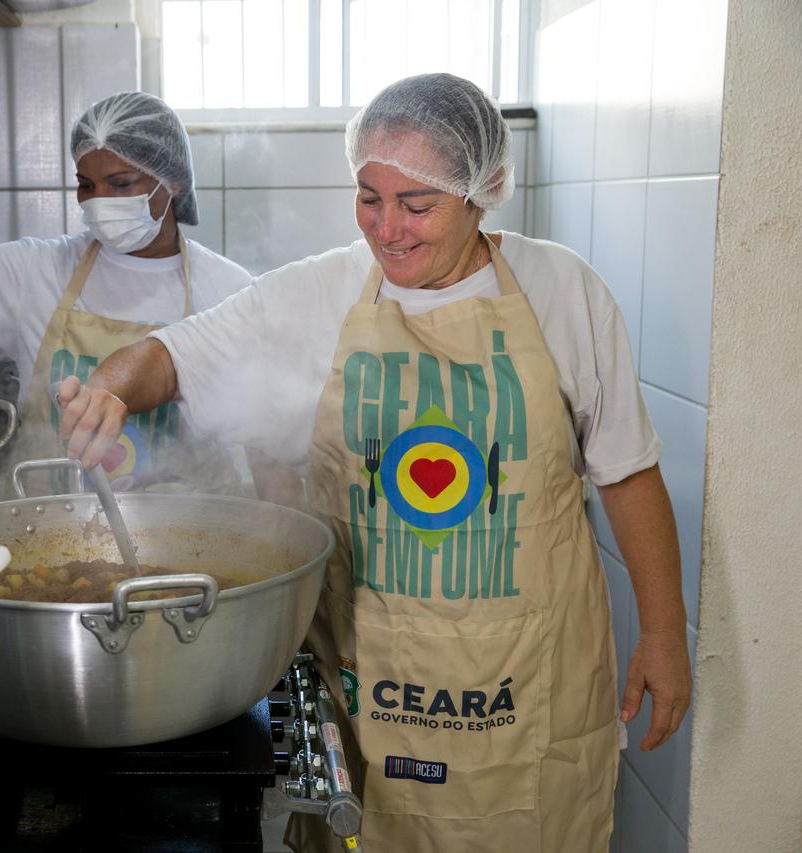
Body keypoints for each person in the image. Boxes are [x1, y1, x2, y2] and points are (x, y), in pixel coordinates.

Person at [54, 74, 691, 852]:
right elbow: (173, 356)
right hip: (369, 698)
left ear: (481, 193)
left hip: (528, 700)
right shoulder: (319, 293)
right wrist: (110, 389)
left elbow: (627, 472)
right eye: (368, 198)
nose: (387, 229)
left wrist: (664, 632)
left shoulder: (564, 291)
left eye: (416, 206)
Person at [0, 91, 252, 496]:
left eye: (120, 184)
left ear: (173, 181)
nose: (99, 202)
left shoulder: (229, 290)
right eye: (86, 185)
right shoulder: (36, 271)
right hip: (50, 538)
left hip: (198, 540)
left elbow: (271, 442)